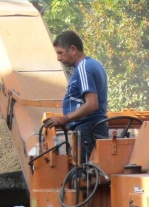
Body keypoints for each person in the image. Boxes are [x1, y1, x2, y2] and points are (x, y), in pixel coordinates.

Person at [45, 30, 109, 163]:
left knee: (83, 177)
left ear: (73, 49)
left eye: (60, 53)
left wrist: (65, 119)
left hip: (88, 131)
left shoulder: (83, 68)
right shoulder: (94, 64)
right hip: (92, 129)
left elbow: (91, 104)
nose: (58, 58)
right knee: (91, 175)